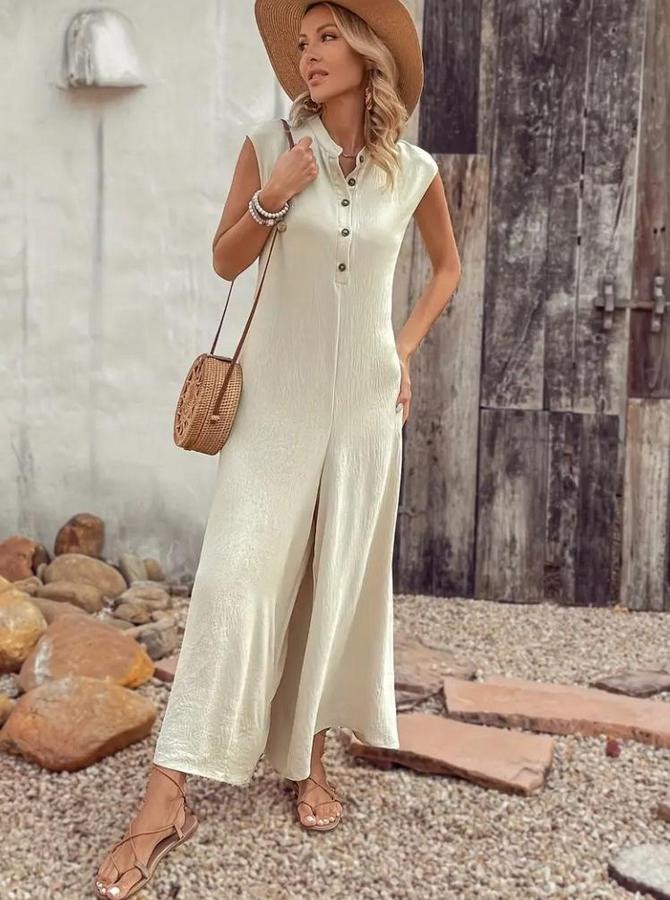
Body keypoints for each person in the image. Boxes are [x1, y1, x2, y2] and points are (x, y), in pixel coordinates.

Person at [94, 0, 460, 896]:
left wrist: (404, 351)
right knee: (233, 582)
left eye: (328, 36)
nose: (310, 54)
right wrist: (274, 195)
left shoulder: (412, 170)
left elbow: (447, 267)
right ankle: (165, 798)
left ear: (368, 52)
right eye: (302, 42)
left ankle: (309, 762)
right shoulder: (269, 147)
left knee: (333, 583)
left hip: (364, 410)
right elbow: (226, 260)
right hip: (274, 407)